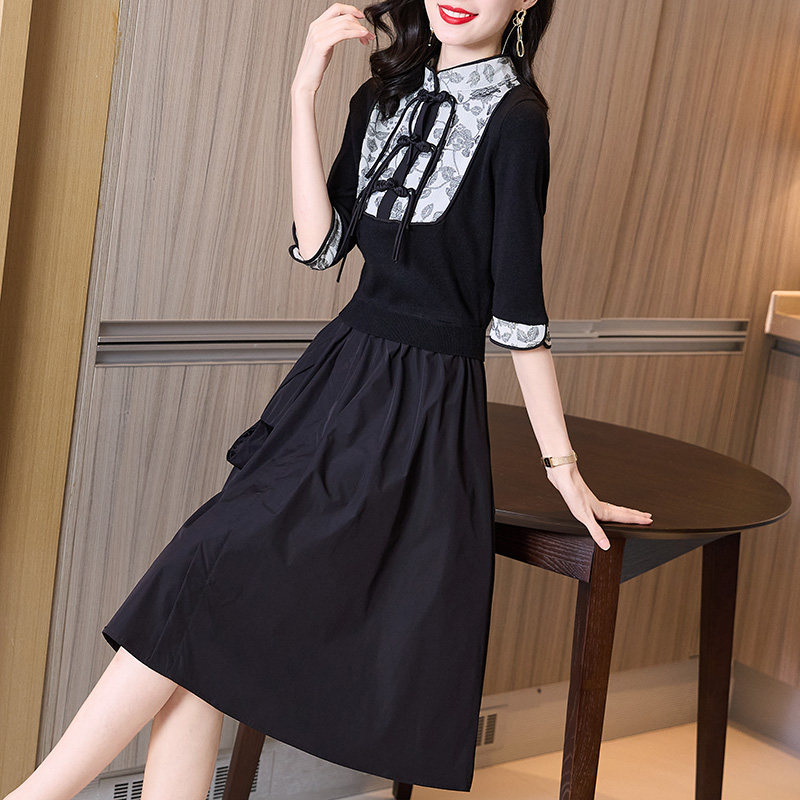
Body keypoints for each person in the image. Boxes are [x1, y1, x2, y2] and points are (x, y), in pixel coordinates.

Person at [4, 2, 653, 798]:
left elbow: (518, 314)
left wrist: (563, 467)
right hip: (335, 381)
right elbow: (321, 248)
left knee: (203, 589)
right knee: (208, 624)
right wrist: (300, 92)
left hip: (416, 410)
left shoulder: (518, 122)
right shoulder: (379, 97)